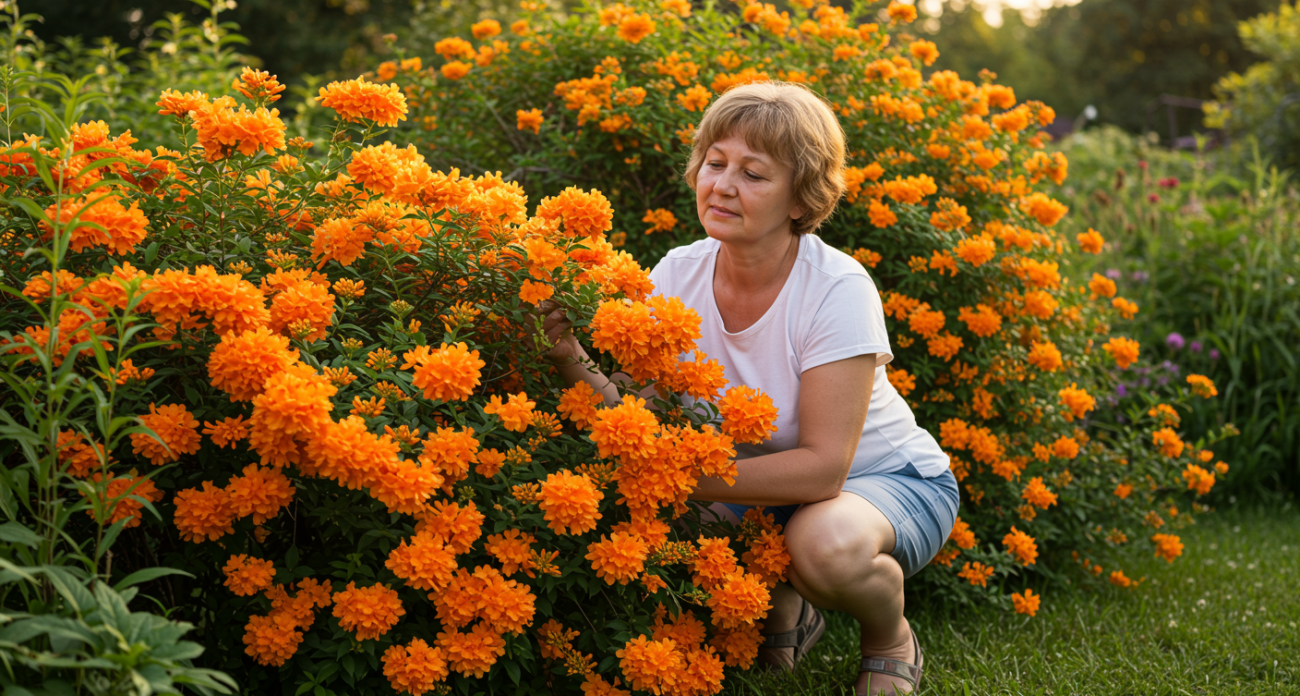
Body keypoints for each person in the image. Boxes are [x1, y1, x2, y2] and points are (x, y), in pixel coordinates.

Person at [543, 81, 958, 696]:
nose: (724, 185)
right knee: (653, 525)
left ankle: (889, 637)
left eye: (754, 174)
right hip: (759, 487)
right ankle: (788, 606)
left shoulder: (837, 289)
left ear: (801, 197)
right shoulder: (676, 274)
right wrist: (568, 357)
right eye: (715, 164)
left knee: (822, 546)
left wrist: (672, 476)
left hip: (883, 483)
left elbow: (821, 473)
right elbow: (636, 414)